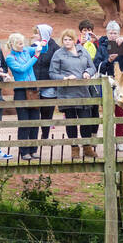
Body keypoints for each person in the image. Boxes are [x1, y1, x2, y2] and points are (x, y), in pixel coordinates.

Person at [46, 27, 99, 161]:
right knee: (71, 122)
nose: (67, 42)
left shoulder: (82, 50)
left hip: (83, 92)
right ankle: (74, 148)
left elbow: (92, 67)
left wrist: (88, 72)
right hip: (67, 93)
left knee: (86, 120)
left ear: (75, 40)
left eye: (70, 39)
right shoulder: (58, 54)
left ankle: (87, 147)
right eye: (65, 39)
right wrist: (64, 79)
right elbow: (52, 73)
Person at [5, 32, 43, 161]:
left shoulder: (26, 50)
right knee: (24, 122)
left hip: (33, 90)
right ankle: (24, 151)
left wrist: (42, 42)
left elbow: (43, 49)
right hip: (21, 91)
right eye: (19, 44)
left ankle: (33, 149)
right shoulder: (10, 58)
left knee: (35, 121)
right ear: (13, 45)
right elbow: (22, 69)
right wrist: (35, 58)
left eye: (22, 43)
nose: (22, 46)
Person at [31, 23, 58, 142]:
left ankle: (45, 136)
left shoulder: (55, 48)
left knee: (47, 112)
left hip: (49, 84)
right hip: (35, 83)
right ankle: (33, 138)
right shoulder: (33, 46)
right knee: (35, 111)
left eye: (37, 33)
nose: (34, 35)